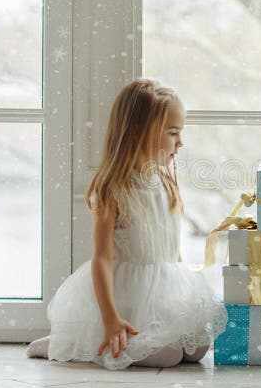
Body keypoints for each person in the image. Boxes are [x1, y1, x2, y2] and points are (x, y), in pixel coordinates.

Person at [26, 79, 227, 369]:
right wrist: (109, 316)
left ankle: (89, 339)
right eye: (172, 133)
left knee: (196, 350)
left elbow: (171, 248)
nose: (180, 143)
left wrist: (184, 297)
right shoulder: (114, 189)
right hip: (128, 294)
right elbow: (102, 258)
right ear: (139, 133)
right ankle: (76, 340)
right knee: (168, 356)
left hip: (164, 287)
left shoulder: (167, 181)